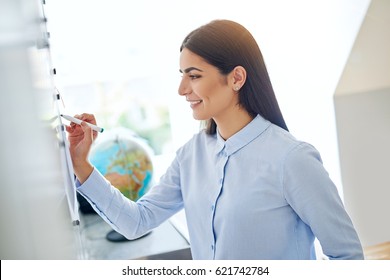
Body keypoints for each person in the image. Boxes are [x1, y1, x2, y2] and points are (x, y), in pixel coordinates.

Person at [66, 19, 364, 260]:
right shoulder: (190, 155)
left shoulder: (291, 159)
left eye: (194, 76)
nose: (182, 89)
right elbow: (137, 221)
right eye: (182, 75)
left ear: (236, 78)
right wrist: (81, 163)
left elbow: (347, 256)